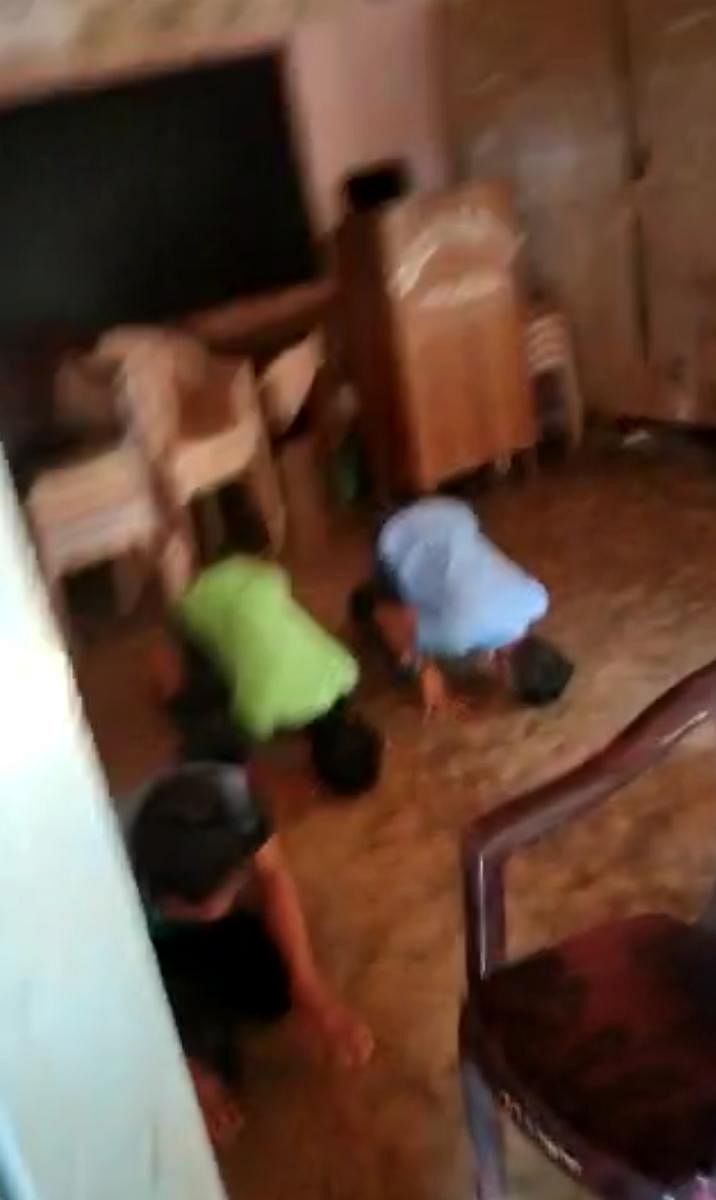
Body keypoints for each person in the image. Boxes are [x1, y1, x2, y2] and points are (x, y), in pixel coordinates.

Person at [126, 761, 374, 1144]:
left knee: (273, 987)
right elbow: (108, 1006)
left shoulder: (228, 803)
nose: (247, 880)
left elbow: (272, 873)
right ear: (171, 902)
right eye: (235, 883)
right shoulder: (104, 903)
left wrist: (309, 988)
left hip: (179, 923)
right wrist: (184, 1072)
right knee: (207, 1069)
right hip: (138, 956)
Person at [155, 554, 383, 798]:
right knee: (209, 726)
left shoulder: (348, 671)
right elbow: (245, 732)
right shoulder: (262, 711)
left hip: (261, 576)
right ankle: (168, 672)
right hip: (202, 598)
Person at [351, 497, 573, 715]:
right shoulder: (456, 636)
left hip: (451, 511)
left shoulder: (537, 600)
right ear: (506, 674)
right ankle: (368, 597)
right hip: (396, 533)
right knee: (400, 662)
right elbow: (389, 619)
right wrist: (424, 669)